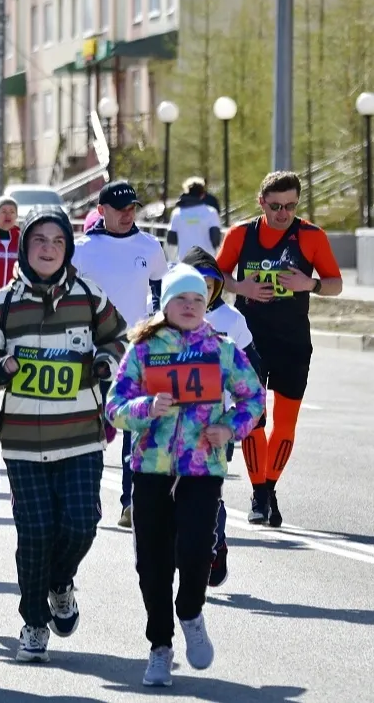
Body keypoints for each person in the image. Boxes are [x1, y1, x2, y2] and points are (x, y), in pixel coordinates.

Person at [0, 207, 127, 663]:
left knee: (81, 525)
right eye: (39, 241)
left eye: (57, 240)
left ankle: (60, 584)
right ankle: (34, 623)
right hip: (24, 443)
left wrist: (105, 363)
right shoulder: (1, 305)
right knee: (34, 534)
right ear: (24, 247)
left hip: (80, 437)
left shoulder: (89, 297)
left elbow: (118, 338)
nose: (48, 248)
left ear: (68, 248)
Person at [105, 264, 265, 688]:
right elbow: (114, 406)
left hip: (202, 468)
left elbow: (254, 397)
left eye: (198, 299)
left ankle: (191, 613)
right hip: (151, 469)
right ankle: (160, 648)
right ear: (166, 304)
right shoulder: (143, 348)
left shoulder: (222, 348)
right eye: (181, 299)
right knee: (152, 565)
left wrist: (230, 428)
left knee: (196, 552)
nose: (191, 306)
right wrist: (144, 408)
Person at [216, 170, 341, 526]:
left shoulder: (311, 236)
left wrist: (311, 283)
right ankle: (259, 495)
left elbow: (336, 284)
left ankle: (270, 488)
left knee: (285, 424)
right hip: (250, 340)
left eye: (290, 206)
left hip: (293, 341)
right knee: (254, 417)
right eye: (275, 206)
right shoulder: (241, 234)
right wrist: (242, 288)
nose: (283, 213)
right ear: (261, 202)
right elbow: (215, 274)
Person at [70, 180, 168, 529]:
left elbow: (161, 293)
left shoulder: (150, 246)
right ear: (102, 211)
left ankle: (131, 503)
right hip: (90, 352)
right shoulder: (82, 249)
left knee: (136, 430)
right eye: (120, 209)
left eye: (132, 209)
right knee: (92, 432)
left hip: (136, 353)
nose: (127, 215)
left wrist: (156, 331)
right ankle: (86, 498)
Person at [181, 246, 261, 587]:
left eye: (211, 283)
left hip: (215, 424)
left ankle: (214, 542)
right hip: (172, 423)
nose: (204, 290)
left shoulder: (232, 321)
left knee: (206, 492)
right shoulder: (163, 318)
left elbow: (254, 370)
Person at [168, 177, 223, 260]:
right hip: (206, 261)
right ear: (202, 194)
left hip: (184, 261)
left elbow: (171, 240)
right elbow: (216, 240)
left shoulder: (177, 213)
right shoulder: (211, 212)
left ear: (186, 192)